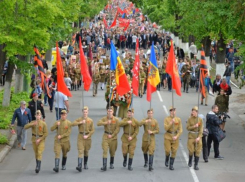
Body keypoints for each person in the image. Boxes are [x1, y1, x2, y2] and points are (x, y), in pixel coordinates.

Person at [72, 106, 95, 172]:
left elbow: (93, 130)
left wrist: (88, 135)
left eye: (86, 112)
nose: (85, 113)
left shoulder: (90, 120)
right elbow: (73, 124)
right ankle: (79, 165)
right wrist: (80, 122)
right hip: (81, 136)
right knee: (80, 150)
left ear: (88, 112)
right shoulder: (79, 119)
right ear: (82, 112)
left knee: (86, 151)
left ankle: (85, 164)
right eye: (84, 112)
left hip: (87, 137)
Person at [97, 107, 120, 171]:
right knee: (105, 150)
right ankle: (104, 165)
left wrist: (112, 135)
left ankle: (111, 163)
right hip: (106, 136)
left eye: (111, 111)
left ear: (113, 112)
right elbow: (98, 123)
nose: (109, 112)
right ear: (107, 111)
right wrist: (106, 123)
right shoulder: (104, 118)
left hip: (113, 137)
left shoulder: (116, 120)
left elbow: (117, 129)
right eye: (108, 111)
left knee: (112, 152)